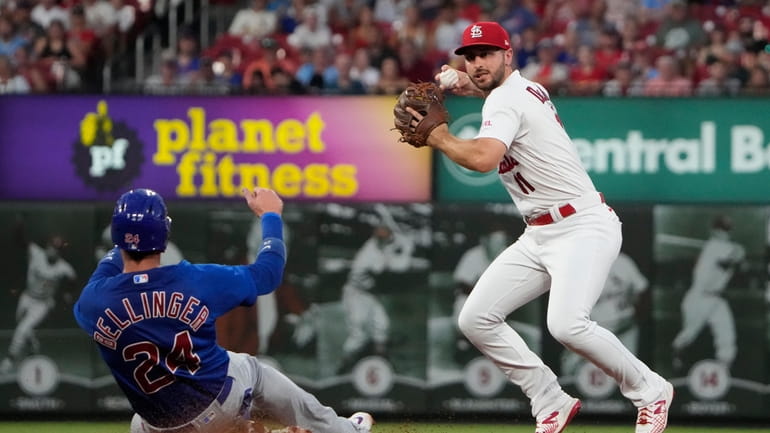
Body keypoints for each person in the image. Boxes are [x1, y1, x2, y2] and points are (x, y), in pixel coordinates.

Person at [418, 21, 674, 433]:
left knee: (566, 324)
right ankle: (548, 398)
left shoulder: (505, 101)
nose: (477, 62)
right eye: (470, 55)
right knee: (476, 318)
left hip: (582, 225)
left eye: (486, 53)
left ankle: (650, 390)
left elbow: (483, 159)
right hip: (540, 232)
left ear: (508, 54)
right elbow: (495, 89)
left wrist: (438, 137)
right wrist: (462, 82)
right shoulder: (524, 89)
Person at [73, 187, 373, 433]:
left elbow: (107, 270)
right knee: (251, 370)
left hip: (159, 427)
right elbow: (267, 274)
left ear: (115, 236)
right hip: (216, 404)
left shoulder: (92, 303)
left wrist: (127, 236)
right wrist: (270, 216)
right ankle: (342, 430)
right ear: (164, 235)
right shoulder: (195, 281)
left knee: (138, 424)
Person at [337, 205, 415, 373]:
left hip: (370, 294)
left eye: (385, 231)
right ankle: (344, 365)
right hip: (355, 294)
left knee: (382, 325)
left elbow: (393, 230)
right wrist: (406, 251)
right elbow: (398, 269)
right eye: (380, 231)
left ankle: (381, 361)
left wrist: (385, 214)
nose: (383, 233)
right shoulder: (371, 254)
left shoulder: (384, 242)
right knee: (358, 334)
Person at [671, 215, 745, 371]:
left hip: (717, 299)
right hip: (700, 297)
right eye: (721, 229)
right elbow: (730, 260)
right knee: (688, 335)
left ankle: (724, 368)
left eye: (726, 230)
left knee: (727, 334)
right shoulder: (714, 247)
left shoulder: (722, 246)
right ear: (714, 230)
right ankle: (677, 358)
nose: (724, 233)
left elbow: (736, 262)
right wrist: (739, 251)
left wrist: (738, 252)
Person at [561, 251, 649, 377]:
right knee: (573, 369)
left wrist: (636, 316)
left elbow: (642, 289)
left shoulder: (623, 261)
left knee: (628, 374)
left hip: (625, 328)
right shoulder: (578, 265)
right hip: (593, 329)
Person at [1, 232, 77, 373]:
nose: (53, 251)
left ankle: (10, 360)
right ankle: (34, 346)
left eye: (57, 249)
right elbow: (19, 239)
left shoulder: (63, 267)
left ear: (60, 252)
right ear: (47, 246)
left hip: (42, 304)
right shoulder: (36, 252)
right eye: (51, 247)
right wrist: (19, 225)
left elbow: (73, 279)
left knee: (22, 329)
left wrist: (68, 293)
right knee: (22, 325)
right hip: (27, 297)